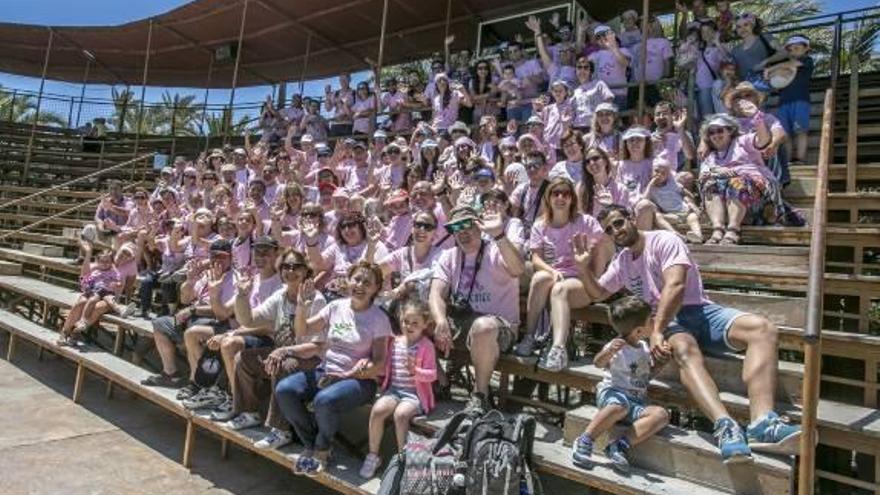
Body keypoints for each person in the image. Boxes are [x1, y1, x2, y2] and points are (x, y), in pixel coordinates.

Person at [573, 205, 802, 463]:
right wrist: (582, 269)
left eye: (619, 223)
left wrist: (657, 330)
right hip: (670, 323)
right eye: (609, 229)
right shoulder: (622, 261)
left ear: (632, 218)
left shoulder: (664, 240)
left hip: (696, 310)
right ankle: (725, 425)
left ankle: (763, 423)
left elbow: (677, 284)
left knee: (763, 329)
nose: (616, 231)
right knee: (682, 347)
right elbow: (598, 293)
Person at [275, 262, 392, 476]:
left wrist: (360, 370)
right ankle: (313, 444)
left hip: (359, 380)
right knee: (285, 390)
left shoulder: (379, 318)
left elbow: (380, 363)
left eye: (367, 282)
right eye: (356, 279)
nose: (360, 285)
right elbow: (302, 331)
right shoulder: (336, 306)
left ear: (376, 289)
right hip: (326, 371)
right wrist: (301, 306)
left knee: (324, 400)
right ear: (348, 280)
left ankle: (321, 449)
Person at [224, 249, 327, 449]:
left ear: (306, 270)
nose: (291, 270)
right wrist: (242, 295)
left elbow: (317, 346)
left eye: (296, 266)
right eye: (286, 266)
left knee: (282, 365)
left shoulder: (317, 299)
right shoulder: (280, 295)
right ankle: (249, 412)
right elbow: (249, 320)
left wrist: (286, 351)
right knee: (243, 359)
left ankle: (282, 430)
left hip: (310, 360)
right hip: (282, 353)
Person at [429, 206, 525, 412]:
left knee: (483, 327)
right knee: (410, 315)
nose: (462, 232)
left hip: (499, 329)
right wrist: (439, 320)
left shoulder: (497, 249)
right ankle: (440, 381)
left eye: (468, 225)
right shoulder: (449, 256)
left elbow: (518, 269)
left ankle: (480, 395)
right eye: (456, 228)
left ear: (480, 227)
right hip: (462, 324)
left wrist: (499, 234)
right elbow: (436, 293)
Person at [516, 177, 610, 371]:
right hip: (554, 276)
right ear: (548, 197)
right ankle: (530, 336)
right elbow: (535, 258)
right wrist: (552, 271)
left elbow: (605, 243)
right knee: (541, 277)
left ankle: (558, 349)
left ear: (572, 198)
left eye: (565, 193)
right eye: (555, 193)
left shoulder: (586, 222)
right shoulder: (540, 225)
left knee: (559, 289)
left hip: (581, 279)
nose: (560, 198)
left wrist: (596, 275)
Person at [571, 296, 670, 472]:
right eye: (650, 320)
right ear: (639, 331)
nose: (654, 321)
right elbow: (598, 363)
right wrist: (608, 352)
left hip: (636, 402)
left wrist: (661, 364)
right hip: (612, 395)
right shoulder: (617, 346)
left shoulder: (644, 348)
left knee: (661, 414)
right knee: (619, 406)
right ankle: (586, 440)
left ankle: (619, 445)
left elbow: (644, 377)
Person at [140, 239, 235, 395]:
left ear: (231, 258)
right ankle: (171, 373)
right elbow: (185, 299)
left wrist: (193, 310)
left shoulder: (233, 279)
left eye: (222, 257)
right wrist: (190, 280)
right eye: (214, 256)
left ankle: (197, 383)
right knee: (160, 323)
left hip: (219, 323)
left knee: (193, 331)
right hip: (194, 318)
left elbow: (222, 312)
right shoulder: (207, 274)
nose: (217, 260)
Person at [360, 298, 438, 479]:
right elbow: (386, 366)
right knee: (378, 410)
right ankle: (373, 455)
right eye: (405, 321)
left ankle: (402, 458)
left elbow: (432, 374)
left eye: (415, 323)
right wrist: (369, 366)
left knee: (401, 415)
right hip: (394, 390)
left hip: (414, 395)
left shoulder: (427, 346)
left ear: (425, 324)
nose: (409, 326)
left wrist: (415, 372)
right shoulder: (394, 342)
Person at [698, 113, 780, 245]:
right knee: (709, 185)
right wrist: (721, 173)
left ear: (730, 130)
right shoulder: (710, 156)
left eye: (720, 130)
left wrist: (757, 119)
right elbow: (704, 176)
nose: (715, 135)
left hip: (757, 198)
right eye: (711, 132)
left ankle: (733, 230)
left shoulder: (743, 141)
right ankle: (718, 230)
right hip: (726, 204)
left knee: (736, 182)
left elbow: (763, 140)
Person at [58, 244, 122, 345]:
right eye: (102, 261)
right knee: (81, 303)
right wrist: (87, 285)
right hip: (93, 292)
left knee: (98, 307)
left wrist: (116, 286)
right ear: (98, 261)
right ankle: (65, 332)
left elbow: (120, 283)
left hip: (108, 296)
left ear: (112, 261)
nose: (105, 263)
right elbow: (84, 279)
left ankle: (76, 331)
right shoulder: (94, 268)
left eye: (108, 261)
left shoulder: (114, 271)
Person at [773, 35, 814, 166]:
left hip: (800, 101)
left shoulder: (807, 61)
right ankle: (787, 160)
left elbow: (793, 64)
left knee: (800, 130)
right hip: (784, 102)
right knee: (785, 134)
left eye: (797, 47)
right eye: (790, 49)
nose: (794, 51)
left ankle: (800, 159)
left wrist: (771, 68)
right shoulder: (783, 66)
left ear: (806, 48)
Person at [646, 159, 703, 243]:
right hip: (672, 215)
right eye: (656, 171)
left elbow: (686, 193)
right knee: (658, 217)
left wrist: (691, 203)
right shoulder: (651, 188)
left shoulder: (672, 184)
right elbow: (645, 199)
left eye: (663, 173)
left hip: (685, 211)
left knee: (693, 218)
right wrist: (650, 184)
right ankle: (675, 234)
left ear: (667, 175)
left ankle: (698, 235)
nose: (659, 175)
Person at [730, 13, 786, 85]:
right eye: (738, 27)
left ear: (753, 25)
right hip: (748, 91)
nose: (742, 29)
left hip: (769, 86)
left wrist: (765, 62)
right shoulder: (735, 50)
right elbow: (733, 71)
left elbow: (784, 52)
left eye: (746, 25)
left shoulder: (765, 38)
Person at [589, 25, 632, 110]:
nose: (601, 38)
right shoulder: (593, 56)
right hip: (600, 96)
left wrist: (613, 46)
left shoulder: (623, 50)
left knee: (618, 121)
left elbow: (625, 63)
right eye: (598, 37)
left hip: (618, 94)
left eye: (604, 35)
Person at [571, 57, 614, 133]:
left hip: (594, 126)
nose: (582, 70)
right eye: (579, 67)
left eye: (586, 67)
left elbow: (609, 100)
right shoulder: (575, 91)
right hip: (578, 127)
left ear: (591, 71)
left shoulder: (599, 84)